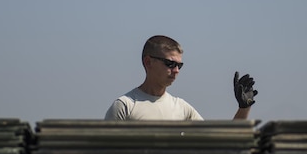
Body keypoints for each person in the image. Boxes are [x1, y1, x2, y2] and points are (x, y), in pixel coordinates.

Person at [104, 34, 258, 120]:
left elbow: (222, 145)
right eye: (170, 63)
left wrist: (244, 108)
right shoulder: (124, 106)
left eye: (180, 65)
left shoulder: (183, 109)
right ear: (148, 62)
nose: (176, 70)